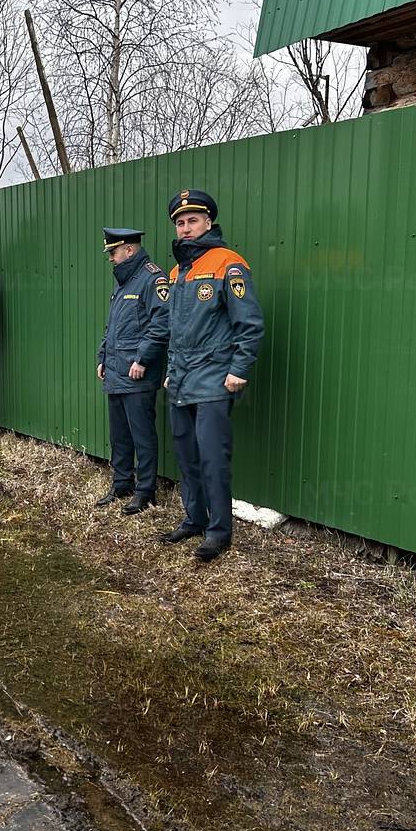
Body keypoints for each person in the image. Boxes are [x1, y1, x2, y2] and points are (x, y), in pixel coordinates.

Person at [162, 189, 264, 561]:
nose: (186, 228)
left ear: (208, 223)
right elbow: (176, 329)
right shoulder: (178, 271)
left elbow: (249, 323)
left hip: (214, 378)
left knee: (212, 457)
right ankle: (195, 519)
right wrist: (171, 373)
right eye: (180, 223)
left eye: (192, 221)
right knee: (186, 454)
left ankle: (219, 532)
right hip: (182, 379)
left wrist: (238, 370)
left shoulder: (228, 263)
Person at [95, 228, 170, 515]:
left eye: (113, 252)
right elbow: (113, 325)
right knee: (120, 434)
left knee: (142, 435)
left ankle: (145, 491)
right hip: (116, 370)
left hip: (138, 373)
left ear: (129, 250)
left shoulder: (153, 279)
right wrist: (103, 356)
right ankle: (122, 484)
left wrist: (142, 359)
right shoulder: (124, 280)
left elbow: (161, 324)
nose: (111, 258)